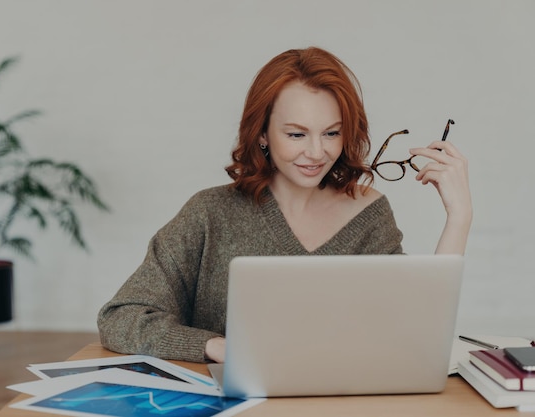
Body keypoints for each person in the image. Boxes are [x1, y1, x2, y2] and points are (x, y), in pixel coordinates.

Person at [97, 47, 472, 364]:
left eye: (331, 133)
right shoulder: (209, 213)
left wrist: (459, 217)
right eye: (296, 134)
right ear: (261, 133)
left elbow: (418, 334)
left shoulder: (369, 214)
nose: (316, 152)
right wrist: (217, 347)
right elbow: (121, 318)